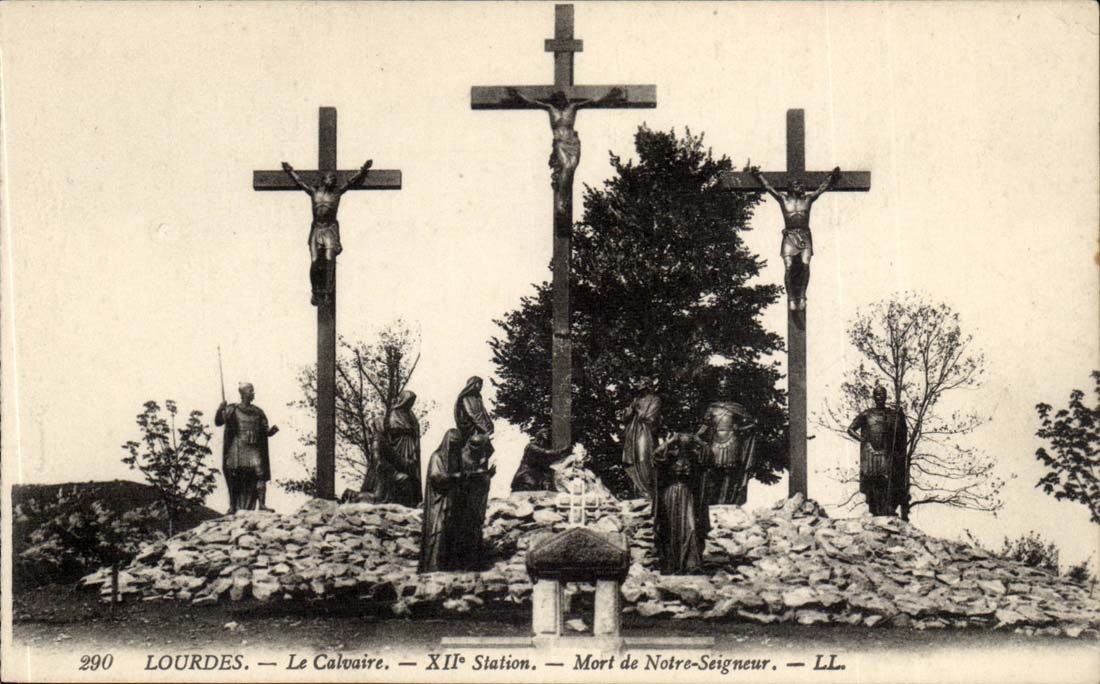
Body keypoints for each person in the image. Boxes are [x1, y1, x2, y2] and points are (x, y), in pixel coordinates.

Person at [507, 87, 624, 215]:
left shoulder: (573, 108)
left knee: (571, 168)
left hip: (574, 143)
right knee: (567, 167)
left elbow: (592, 101)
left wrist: (608, 95)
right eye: (559, 99)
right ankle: (561, 202)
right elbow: (532, 102)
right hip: (560, 143)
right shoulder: (550, 109)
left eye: (563, 99)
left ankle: (564, 199)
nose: (562, 101)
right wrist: (518, 95)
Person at [280, 159, 373, 305]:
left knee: (330, 260)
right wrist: (290, 170)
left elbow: (351, 181)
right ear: (323, 180)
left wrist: (363, 170)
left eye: (334, 179)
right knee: (315, 261)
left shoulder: (337, 193)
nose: (333, 180)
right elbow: (299, 181)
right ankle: (316, 291)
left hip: (329, 229)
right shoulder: (314, 192)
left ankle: (328, 293)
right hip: (317, 229)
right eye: (330, 178)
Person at [751, 166, 841, 310]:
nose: (802, 187)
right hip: (789, 236)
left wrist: (832, 177)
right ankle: (791, 297)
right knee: (788, 267)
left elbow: (821, 189)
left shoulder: (808, 199)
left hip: (804, 236)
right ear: (791, 188)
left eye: (801, 185)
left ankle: (802, 296)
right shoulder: (783, 199)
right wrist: (758, 176)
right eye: (798, 185)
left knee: (805, 265)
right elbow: (768, 188)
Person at [215, 383, 279, 514]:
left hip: (254, 447)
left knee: (260, 474)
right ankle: (232, 505)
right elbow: (218, 422)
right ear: (243, 393)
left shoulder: (258, 412)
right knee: (233, 474)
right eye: (251, 390)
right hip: (238, 446)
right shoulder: (232, 409)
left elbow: (264, 430)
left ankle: (262, 504)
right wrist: (220, 409)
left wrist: (271, 432)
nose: (253, 393)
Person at [651, 433, 710, 575]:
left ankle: (691, 564)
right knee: (670, 528)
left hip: (687, 494)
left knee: (691, 528)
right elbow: (655, 455)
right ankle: (671, 564)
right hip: (670, 495)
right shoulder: (670, 455)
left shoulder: (694, 457)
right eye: (681, 439)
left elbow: (709, 457)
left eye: (687, 439)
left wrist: (699, 441)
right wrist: (670, 441)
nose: (685, 441)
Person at [846, 385, 909, 516]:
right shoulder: (866, 414)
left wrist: (901, 416)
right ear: (874, 397)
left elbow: (901, 432)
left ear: (886, 396)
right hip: (870, 451)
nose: (880, 397)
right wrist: (862, 439)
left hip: (885, 451)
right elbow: (851, 429)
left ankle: (887, 508)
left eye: (882, 394)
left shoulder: (891, 414)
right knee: (871, 479)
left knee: (886, 479)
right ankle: (873, 508)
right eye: (877, 394)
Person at [696, 379, 758, 506]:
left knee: (729, 471)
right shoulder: (712, 408)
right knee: (712, 469)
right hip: (715, 440)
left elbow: (752, 424)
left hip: (732, 439)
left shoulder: (737, 408)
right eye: (720, 388)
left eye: (725, 388)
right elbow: (705, 425)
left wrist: (740, 429)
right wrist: (696, 437)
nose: (723, 390)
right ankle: (712, 500)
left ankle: (727, 500)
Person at [419, 429, 464, 572]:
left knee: (451, 534)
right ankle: (434, 566)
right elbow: (436, 477)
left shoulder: (456, 461)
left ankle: (449, 566)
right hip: (438, 504)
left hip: (452, 502)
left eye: (458, 445)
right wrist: (455, 476)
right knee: (438, 531)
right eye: (452, 444)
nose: (455, 448)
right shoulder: (437, 457)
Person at [621, 380, 661, 498]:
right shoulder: (636, 400)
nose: (637, 385)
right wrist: (631, 408)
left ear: (647, 385)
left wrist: (638, 410)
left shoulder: (655, 400)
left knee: (644, 459)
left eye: (641, 382)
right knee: (631, 462)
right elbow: (625, 417)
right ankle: (637, 493)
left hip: (645, 432)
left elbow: (650, 418)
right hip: (632, 433)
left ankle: (648, 492)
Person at [386, 390, 423, 507]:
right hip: (400, 445)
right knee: (401, 468)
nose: (410, 404)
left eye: (412, 402)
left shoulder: (410, 414)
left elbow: (416, 428)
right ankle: (398, 499)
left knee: (412, 470)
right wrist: (406, 429)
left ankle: (412, 500)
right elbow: (393, 427)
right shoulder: (394, 412)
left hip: (410, 445)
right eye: (409, 401)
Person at [510, 428, 570, 492]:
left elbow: (548, 458)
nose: (547, 434)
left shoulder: (543, 446)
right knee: (530, 483)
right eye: (544, 433)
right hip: (527, 470)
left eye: (547, 433)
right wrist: (561, 451)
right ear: (539, 435)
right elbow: (545, 452)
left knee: (550, 478)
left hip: (537, 470)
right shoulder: (531, 446)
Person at [454, 376, 494, 443]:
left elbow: (483, 411)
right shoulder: (465, 398)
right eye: (479, 384)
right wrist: (483, 427)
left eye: (482, 384)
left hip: (480, 425)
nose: (481, 386)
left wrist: (490, 424)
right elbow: (471, 414)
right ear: (473, 384)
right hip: (469, 426)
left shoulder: (478, 398)